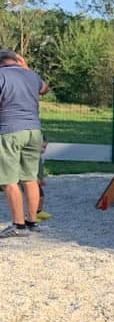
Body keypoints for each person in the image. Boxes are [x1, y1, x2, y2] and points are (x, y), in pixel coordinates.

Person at [0, 49, 48, 238]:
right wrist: (26, 68)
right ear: (17, 61)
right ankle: (32, 222)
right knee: (30, 178)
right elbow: (44, 89)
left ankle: (18, 226)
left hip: (10, 130)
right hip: (34, 131)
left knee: (9, 181)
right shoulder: (31, 75)